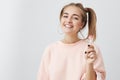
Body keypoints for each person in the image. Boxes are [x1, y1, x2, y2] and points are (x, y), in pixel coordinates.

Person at [37, 2, 106, 80]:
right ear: (60, 19)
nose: (69, 20)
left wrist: (89, 64)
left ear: (82, 24)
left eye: (75, 18)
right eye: (65, 16)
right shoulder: (50, 49)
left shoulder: (91, 50)